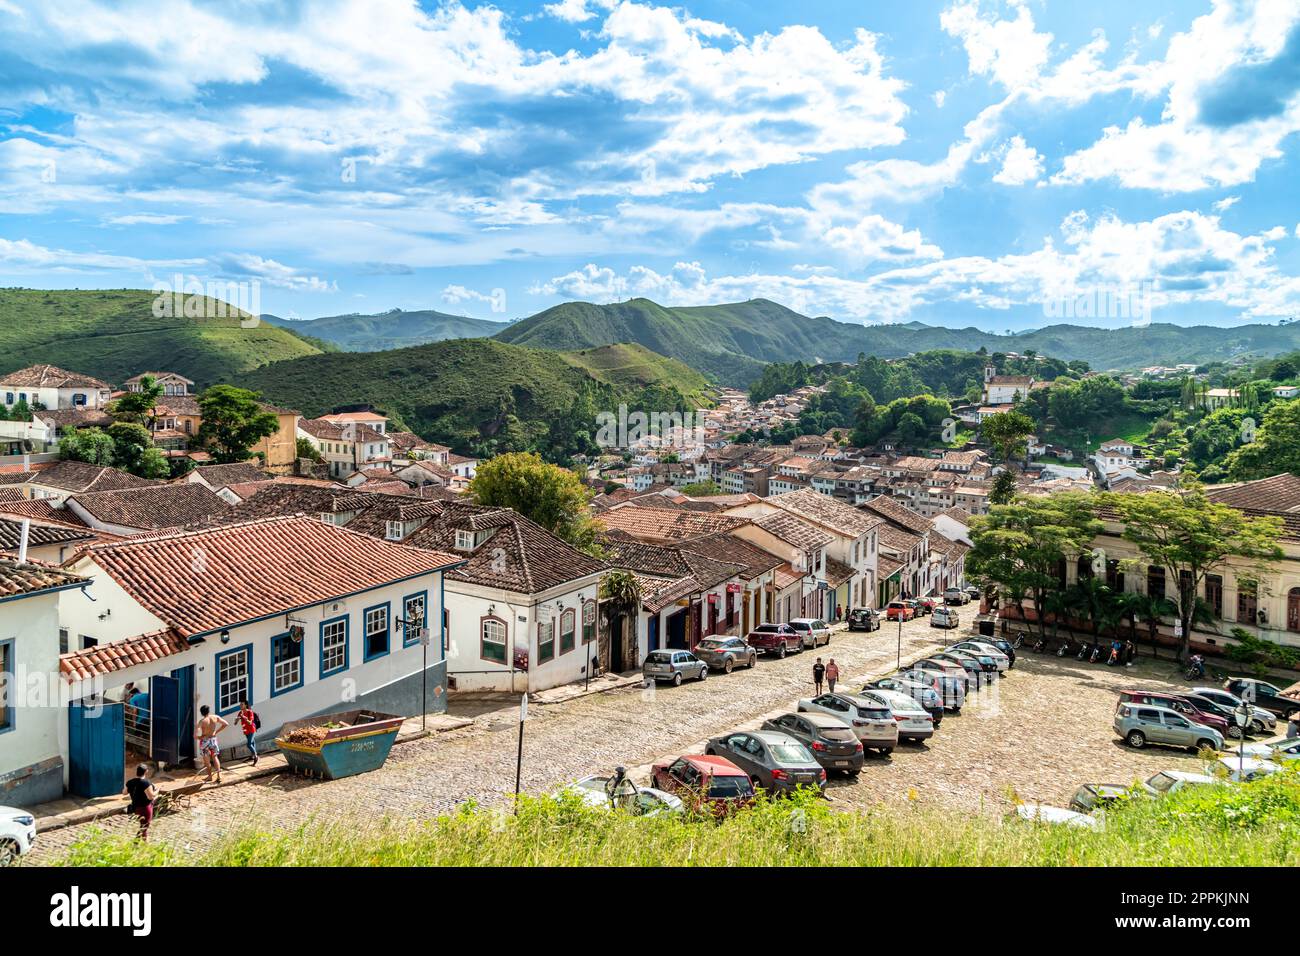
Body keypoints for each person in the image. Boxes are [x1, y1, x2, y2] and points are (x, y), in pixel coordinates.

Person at [195, 704, 230, 783]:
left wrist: (200, 737)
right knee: (215, 757)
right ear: (208, 711)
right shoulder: (215, 717)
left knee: (207, 760)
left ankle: (210, 776)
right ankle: (219, 775)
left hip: (205, 741)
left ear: (201, 713)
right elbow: (226, 724)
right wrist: (216, 731)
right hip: (213, 740)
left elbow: (195, 736)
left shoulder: (202, 721)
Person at [124, 763, 157, 841]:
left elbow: (124, 792)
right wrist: (157, 791)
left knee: (143, 825)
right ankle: (135, 843)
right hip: (145, 808)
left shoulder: (130, 782)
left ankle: (145, 843)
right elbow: (151, 796)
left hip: (135, 808)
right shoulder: (146, 783)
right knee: (145, 826)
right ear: (146, 772)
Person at [236, 699, 260, 766]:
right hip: (246, 731)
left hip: (252, 730)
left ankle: (255, 756)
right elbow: (235, 723)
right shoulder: (240, 712)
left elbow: (250, 722)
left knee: (249, 744)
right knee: (252, 743)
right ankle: (253, 756)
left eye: (242, 704)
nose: (240, 705)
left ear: (245, 705)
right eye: (240, 704)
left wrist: (244, 718)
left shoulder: (250, 712)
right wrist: (237, 720)